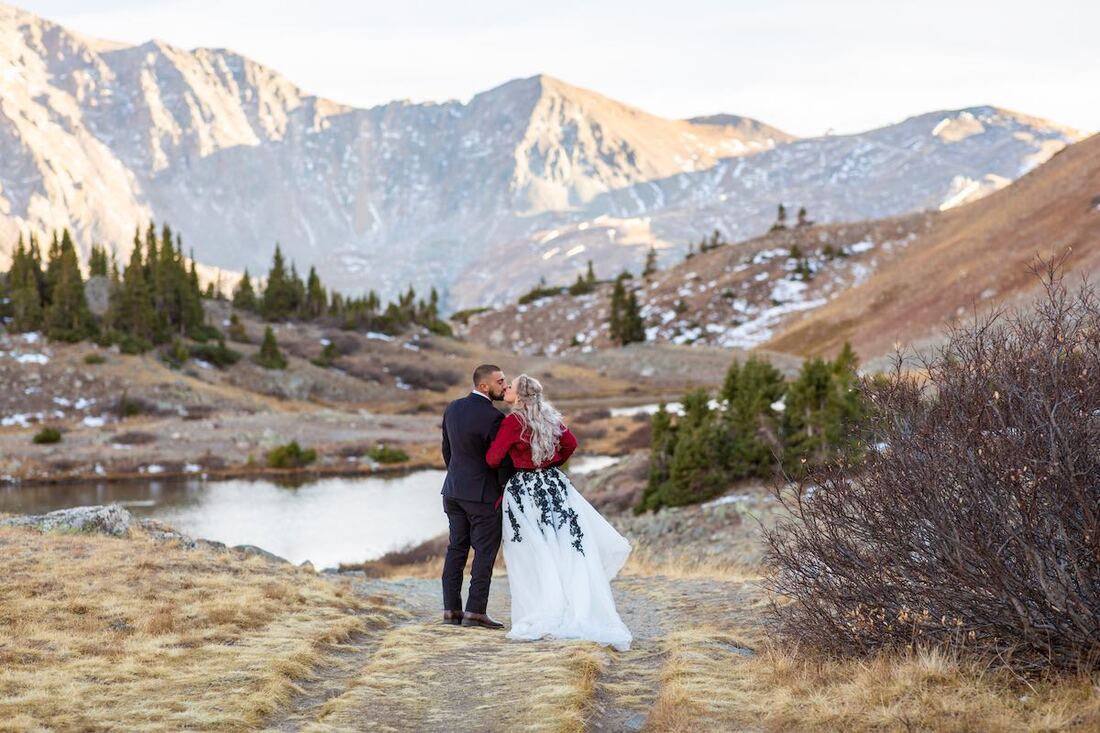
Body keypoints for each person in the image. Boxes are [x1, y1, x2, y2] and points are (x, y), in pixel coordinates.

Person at [486, 374, 633, 651]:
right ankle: (569, 606)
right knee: (565, 547)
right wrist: (551, 462)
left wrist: (515, 459)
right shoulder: (550, 416)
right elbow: (571, 444)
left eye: (510, 387)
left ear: (519, 396)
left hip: (526, 491)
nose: (505, 389)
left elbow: (493, 458)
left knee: (532, 551)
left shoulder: (513, 422)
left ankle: (544, 607)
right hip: (554, 486)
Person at [440, 364, 510, 629]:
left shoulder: (453, 408)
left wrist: (457, 476)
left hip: (453, 490)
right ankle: (475, 613)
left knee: (456, 549)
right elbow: (499, 460)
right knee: (484, 553)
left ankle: (451, 612)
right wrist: (503, 487)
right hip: (482, 495)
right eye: (500, 381)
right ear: (484, 386)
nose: (505, 385)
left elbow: (447, 450)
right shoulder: (494, 418)